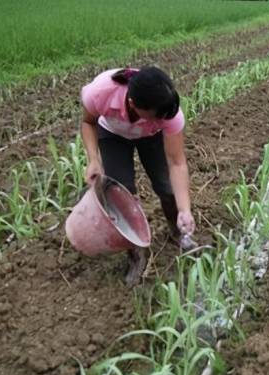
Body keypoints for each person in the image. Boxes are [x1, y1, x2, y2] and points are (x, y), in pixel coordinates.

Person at [80, 66, 196, 285]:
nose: (160, 120)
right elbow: (88, 122)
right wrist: (94, 159)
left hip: (150, 138)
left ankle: (177, 232)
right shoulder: (100, 91)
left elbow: (177, 162)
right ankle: (135, 254)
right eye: (154, 117)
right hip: (112, 136)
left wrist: (185, 209)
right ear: (133, 104)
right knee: (121, 193)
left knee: (166, 186)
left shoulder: (167, 114)